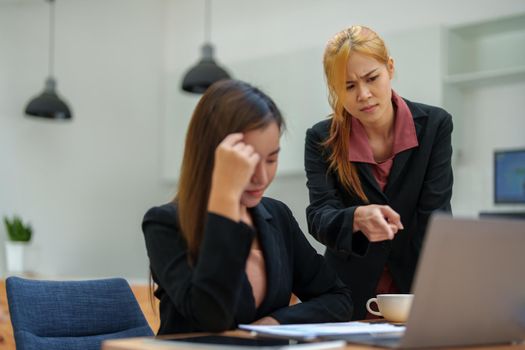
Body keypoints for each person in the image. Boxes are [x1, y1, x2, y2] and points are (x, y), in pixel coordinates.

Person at [143, 79, 353, 334]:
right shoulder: (165, 223)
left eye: (272, 159)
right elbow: (212, 317)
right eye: (248, 160)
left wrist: (276, 323)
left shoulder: (277, 216)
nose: (262, 178)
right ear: (213, 155)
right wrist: (225, 196)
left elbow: (337, 298)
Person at [305, 25, 453, 320]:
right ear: (336, 90)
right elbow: (319, 216)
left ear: (390, 68)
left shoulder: (435, 125)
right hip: (347, 296)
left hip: (417, 291)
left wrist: (438, 295)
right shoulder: (321, 138)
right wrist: (355, 218)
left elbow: (435, 217)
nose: (364, 95)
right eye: (348, 86)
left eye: (372, 78)